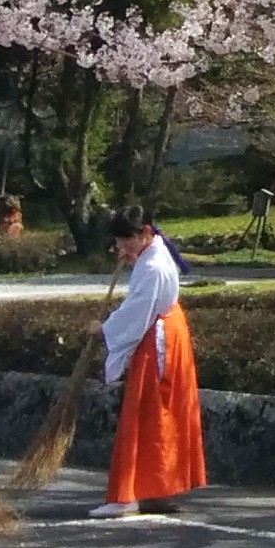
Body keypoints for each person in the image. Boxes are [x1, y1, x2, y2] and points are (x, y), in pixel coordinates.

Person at [93, 210, 205, 519]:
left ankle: (129, 494)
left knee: (148, 413)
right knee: (161, 415)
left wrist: (104, 328)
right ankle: (157, 489)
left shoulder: (154, 265)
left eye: (127, 240)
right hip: (165, 333)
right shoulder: (151, 254)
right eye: (119, 242)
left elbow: (137, 311)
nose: (123, 248)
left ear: (144, 233)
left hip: (158, 337)